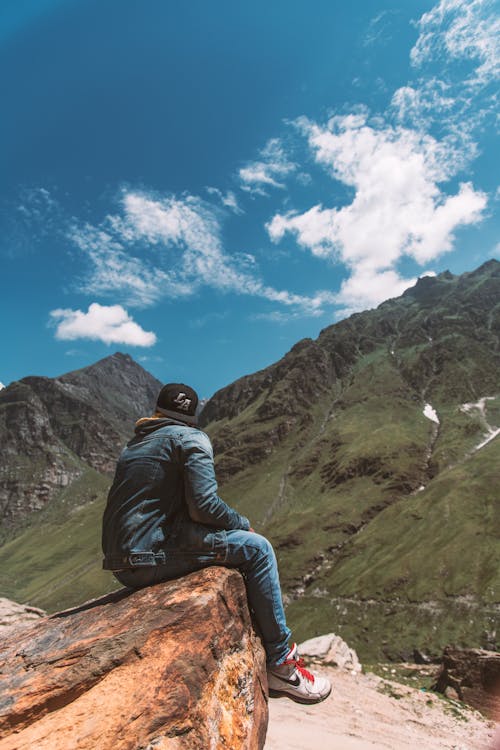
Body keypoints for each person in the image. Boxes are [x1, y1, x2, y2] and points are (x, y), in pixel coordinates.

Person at [102, 382, 331, 704]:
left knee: (243, 545)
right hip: (150, 555)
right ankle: (281, 664)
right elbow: (203, 505)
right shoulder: (190, 437)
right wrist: (241, 524)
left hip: (120, 561)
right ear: (192, 416)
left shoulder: (135, 445)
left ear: (157, 411)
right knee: (257, 549)